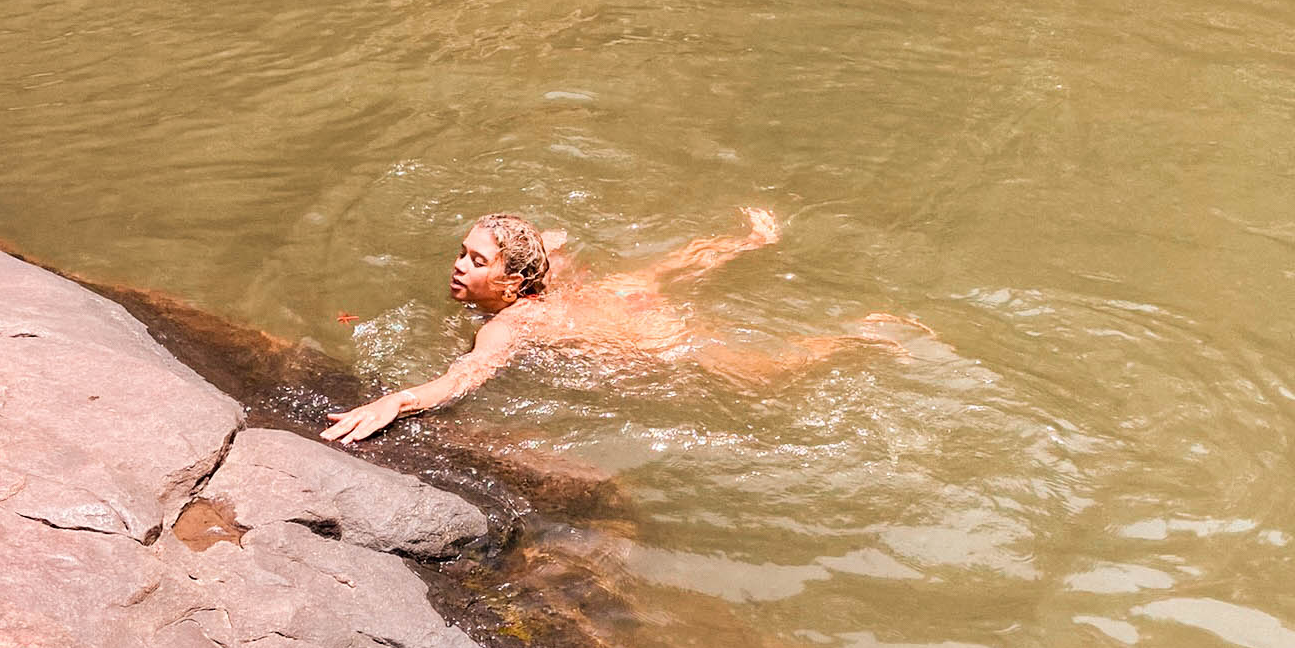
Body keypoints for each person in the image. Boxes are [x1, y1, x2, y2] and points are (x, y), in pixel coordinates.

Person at [320, 208, 933, 444]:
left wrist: (396, 404)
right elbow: (563, 246)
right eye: (462, 251)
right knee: (652, 275)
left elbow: (465, 378)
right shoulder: (541, 278)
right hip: (618, 301)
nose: (458, 265)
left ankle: (862, 336)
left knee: (765, 375)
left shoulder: (509, 325)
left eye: (478, 261)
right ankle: (748, 242)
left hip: (653, 342)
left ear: (512, 284)